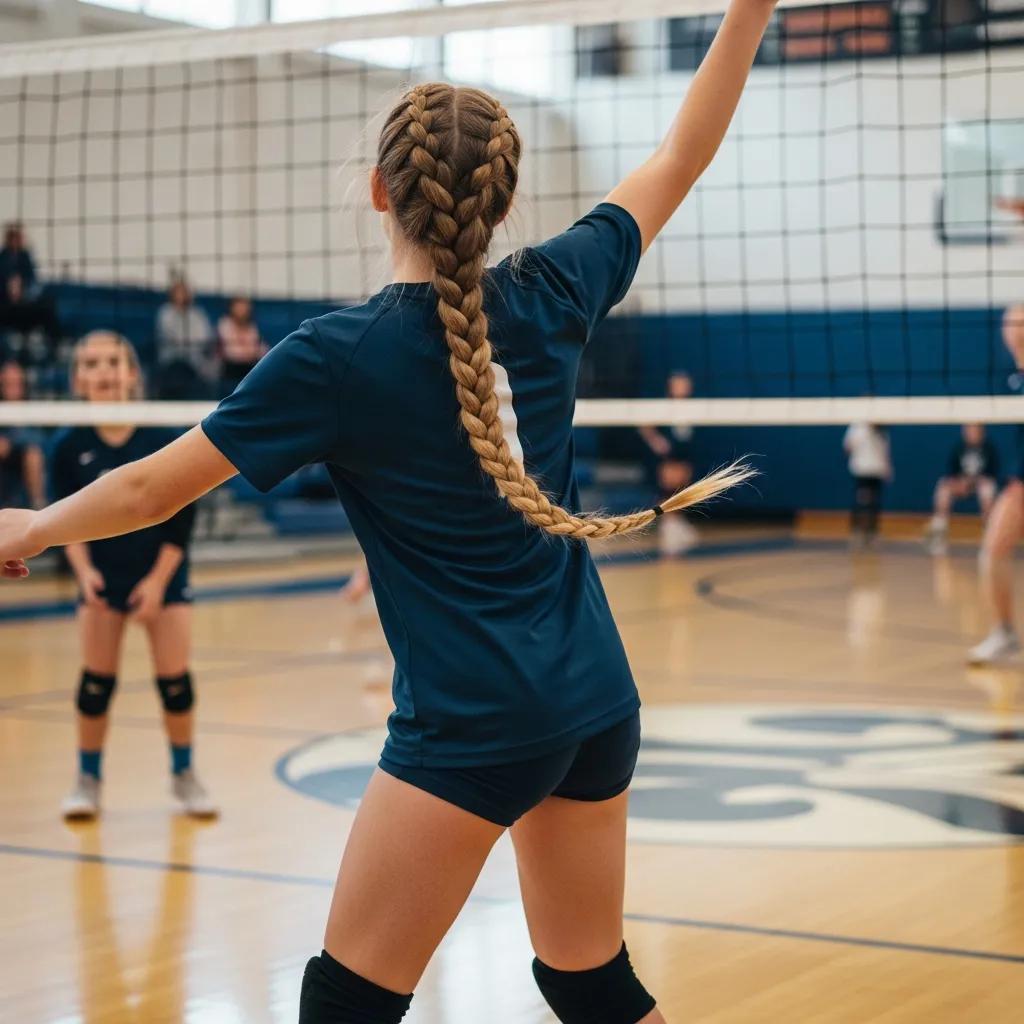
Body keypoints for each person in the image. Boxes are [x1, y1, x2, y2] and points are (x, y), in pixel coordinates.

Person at [0, 1, 773, 1017]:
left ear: (377, 191)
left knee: (345, 1002)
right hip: (593, 701)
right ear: (502, 200)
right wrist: (751, 9)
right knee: (591, 983)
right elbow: (679, 153)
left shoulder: (332, 357)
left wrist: (32, 524)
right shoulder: (556, 289)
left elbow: (150, 486)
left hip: (471, 722)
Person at [49, 331, 216, 820]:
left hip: (160, 573)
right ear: (78, 378)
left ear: (131, 373)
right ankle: (87, 781)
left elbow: (182, 518)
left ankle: (185, 776)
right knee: (96, 683)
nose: (103, 372)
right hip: (101, 577)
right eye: (92, 364)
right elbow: (63, 520)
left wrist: (157, 584)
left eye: (112, 362)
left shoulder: (159, 436)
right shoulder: (67, 445)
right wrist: (83, 576)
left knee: (175, 682)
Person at [969, 305, 1024, 664]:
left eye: (1018, 321)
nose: (1011, 328)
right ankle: (1003, 633)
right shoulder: (1013, 377)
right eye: (1007, 323)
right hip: (1019, 482)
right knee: (992, 553)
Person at [638, 371, 699, 554]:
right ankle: (668, 526)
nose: (683, 387)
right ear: (671, 387)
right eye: (679, 384)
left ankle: (676, 523)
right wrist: (657, 442)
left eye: (685, 384)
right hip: (669, 455)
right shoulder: (664, 406)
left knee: (682, 490)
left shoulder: (693, 407)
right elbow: (645, 427)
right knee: (668, 489)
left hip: (684, 453)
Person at [923, 423, 999, 555]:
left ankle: (989, 532)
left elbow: (992, 474)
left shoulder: (989, 448)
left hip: (980, 484)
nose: (970, 433)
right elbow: (951, 473)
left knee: (987, 489)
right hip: (962, 484)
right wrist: (958, 482)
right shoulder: (959, 448)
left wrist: (974, 481)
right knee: (943, 487)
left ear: (981, 432)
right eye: (968, 430)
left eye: (974, 430)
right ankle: (940, 528)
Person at [0, 221, 61, 350]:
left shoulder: (25, 257)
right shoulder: (3, 258)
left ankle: (55, 347)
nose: (20, 239)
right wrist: (9, 288)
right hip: (5, 306)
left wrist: (24, 291)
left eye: (20, 236)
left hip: (25, 305)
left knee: (48, 306)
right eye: (16, 236)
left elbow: (34, 283)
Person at [155, 279, 215, 399]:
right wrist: (189, 341)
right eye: (178, 292)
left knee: (211, 370)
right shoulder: (165, 312)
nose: (182, 296)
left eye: (184, 292)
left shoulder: (197, 314)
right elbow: (172, 337)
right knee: (179, 371)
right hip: (172, 360)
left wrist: (189, 342)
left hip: (196, 361)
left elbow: (206, 336)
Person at [0, 360, 46, 511]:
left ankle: (38, 504)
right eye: (8, 383)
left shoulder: (32, 407)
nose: (13, 387)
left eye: (17, 383)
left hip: (24, 460)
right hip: (5, 466)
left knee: (33, 455)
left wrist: (13, 441)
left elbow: (38, 440)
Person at [844, 422, 891, 549]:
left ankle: (872, 533)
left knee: (875, 503)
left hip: (877, 471)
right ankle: (857, 531)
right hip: (862, 470)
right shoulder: (857, 427)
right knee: (862, 502)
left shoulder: (882, 430)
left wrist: (888, 468)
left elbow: (885, 451)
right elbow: (848, 446)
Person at [216, 295, 267, 397]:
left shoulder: (252, 326)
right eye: (239, 307)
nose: (242, 311)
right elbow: (231, 353)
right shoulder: (224, 324)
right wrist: (249, 352)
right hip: (229, 367)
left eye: (245, 308)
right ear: (232, 308)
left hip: (249, 366)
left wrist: (251, 353)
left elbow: (263, 350)